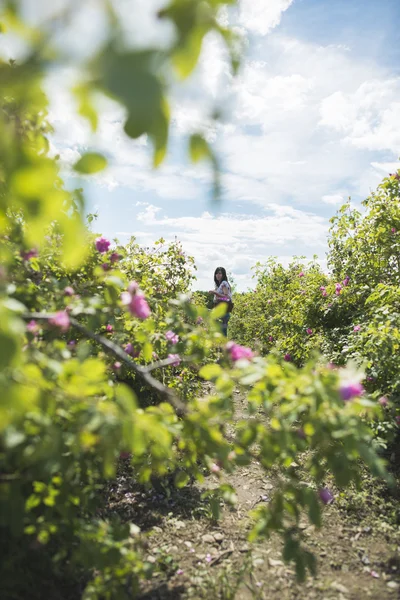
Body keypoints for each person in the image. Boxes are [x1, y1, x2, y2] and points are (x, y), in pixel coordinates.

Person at [209, 267, 232, 336]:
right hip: (221, 310)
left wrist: (215, 293)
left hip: (224, 311)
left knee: (222, 333)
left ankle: (224, 346)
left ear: (223, 275)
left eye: (220, 273)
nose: (217, 275)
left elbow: (227, 297)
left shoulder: (224, 283)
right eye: (216, 273)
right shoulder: (219, 285)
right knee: (220, 332)